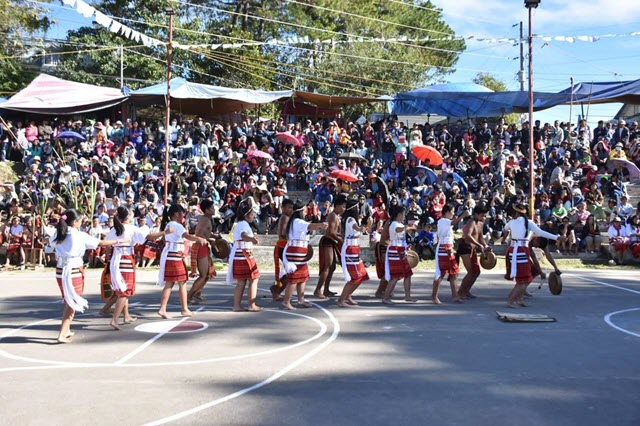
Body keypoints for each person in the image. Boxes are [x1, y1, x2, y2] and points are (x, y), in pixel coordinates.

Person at [49, 209, 122, 343]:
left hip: (60, 270)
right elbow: (99, 243)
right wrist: (117, 241)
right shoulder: (78, 235)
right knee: (72, 302)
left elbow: (51, 242)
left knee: (70, 300)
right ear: (75, 222)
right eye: (80, 221)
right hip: (73, 270)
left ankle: (66, 330)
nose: (81, 223)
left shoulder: (58, 233)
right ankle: (61, 333)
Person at [105, 207, 171, 330]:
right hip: (125, 259)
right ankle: (114, 319)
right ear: (128, 216)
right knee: (124, 291)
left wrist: (109, 258)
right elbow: (150, 237)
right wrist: (164, 232)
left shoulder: (114, 229)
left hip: (116, 259)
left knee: (123, 288)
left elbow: (107, 246)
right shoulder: (131, 228)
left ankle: (126, 316)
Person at [504, 204, 562, 308]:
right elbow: (541, 232)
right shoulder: (529, 223)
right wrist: (556, 237)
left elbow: (505, 228)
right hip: (521, 251)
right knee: (523, 280)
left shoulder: (512, 222)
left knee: (524, 278)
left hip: (515, 251)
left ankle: (519, 299)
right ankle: (511, 301)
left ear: (516, 213)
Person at [157, 204, 208, 319]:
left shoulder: (169, 224)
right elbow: (187, 236)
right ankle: (184, 308)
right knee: (182, 282)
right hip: (175, 256)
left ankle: (163, 308)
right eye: (182, 214)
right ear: (176, 214)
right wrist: (198, 238)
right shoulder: (177, 225)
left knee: (170, 283)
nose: (183, 217)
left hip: (170, 255)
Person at [281, 200, 328, 310]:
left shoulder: (295, 221)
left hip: (299, 252)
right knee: (294, 278)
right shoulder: (297, 221)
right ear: (300, 211)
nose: (306, 212)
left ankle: (301, 299)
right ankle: (286, 301)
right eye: (304, 210)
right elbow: (310, 226)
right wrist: (321, 225)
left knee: (303, 277)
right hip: (295, 252)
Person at [226, 203, 262, 312]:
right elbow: (243, 236)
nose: (253, 216)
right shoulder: (243, 225)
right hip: (244, 254)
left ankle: (236, 306)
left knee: (241, 282)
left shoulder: (240, 224)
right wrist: (252, 240)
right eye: (251, 214)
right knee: (254, 278)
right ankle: (251, 305)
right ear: (246, 215)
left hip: (239, 254)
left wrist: (251, 239)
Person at [432, 205, 469, 305]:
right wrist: (462, 216)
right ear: (447, 212)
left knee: (454, 272)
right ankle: (434, 297)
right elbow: (453, 222)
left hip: (447, 248)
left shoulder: (445, 222)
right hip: (444, 249)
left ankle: (455, 295)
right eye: (452, 211)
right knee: (441, 273)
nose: (453, 214)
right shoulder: (443, 221)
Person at [337, 199, 370, 307]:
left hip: (354, 249)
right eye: (357, 207)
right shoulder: (351, 220)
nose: (359, 209)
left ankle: (348, 295)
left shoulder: (351, 219)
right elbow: (359, 229)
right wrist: (367, 225)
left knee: (362, 275)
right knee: (354, 277)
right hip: (350, 250)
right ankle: (341, 300)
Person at [382, 205, 417, 304]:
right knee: (396, 276)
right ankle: (386, 297)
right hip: (395, 251)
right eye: (403, 214)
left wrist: (406, 247)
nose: (404, 216)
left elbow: (401, 236)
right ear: (399, 214)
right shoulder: (394, 224)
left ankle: (407, 296)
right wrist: (408, 227)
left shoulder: (399, 224)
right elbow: (398, 230)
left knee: (407, 274)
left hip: (400, 250)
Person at [315, 194, 347, 298]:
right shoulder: (333, 215)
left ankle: (326, 289)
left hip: (331, 241)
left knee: (332, 267)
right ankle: (318, 289)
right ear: (337, 206)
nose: (344, 209)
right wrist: (340, 240)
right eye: (343, 206)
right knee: (328, 266)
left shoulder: (336, 216)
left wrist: (341, 236)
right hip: (328, 241)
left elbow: (334, 232)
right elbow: (331, 233)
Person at [457, 204, 491, 300]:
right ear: (476, 214)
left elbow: (480, 238)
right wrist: (479, 245)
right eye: (482, 215)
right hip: (465, 248)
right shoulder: (471, 222)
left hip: (473, 249)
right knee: (471, 272)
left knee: (476, 272)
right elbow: (467, 235)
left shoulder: (480, 223)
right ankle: (460, 292)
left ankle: (466, 291)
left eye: (485, 216)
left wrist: (486, 246)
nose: (483, 217)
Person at [187, 200, 218, 304]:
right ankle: (189, 296)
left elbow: (205, 232)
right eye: (212, 208)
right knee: (203, 275)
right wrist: (210, 241)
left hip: (203, 246)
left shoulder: (205, 219)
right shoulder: (205, 220)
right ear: (207, 210)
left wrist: (214, 236)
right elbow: (199, 234)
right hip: (201, 246)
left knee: (207, 274)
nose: (214, 209)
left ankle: (197, 293)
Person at [270, 198, 294, 301]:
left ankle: (276, 289)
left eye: (291, 208)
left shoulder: (285, 217)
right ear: (283, 208)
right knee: (289, 273)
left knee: (289, 272)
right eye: (288, 207)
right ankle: (277, 291)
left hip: (283, 246)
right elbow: (283, 233)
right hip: (283, 246)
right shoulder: (284, 217)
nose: (290, 210)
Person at [373, 219, 391, 298]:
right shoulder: (391, 223)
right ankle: (379, 291)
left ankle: (384, 290)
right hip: (384, 248)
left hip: (388, 248)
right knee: (387, 272)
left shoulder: (392, 223)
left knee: (389, 272)